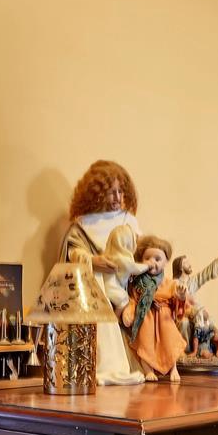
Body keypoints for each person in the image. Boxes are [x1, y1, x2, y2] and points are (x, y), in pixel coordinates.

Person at [60, 159, 146, 385]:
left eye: (120, 191)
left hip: (124, 287)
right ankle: (104, 364)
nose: (117, 197)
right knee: (95, 286)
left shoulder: (129, 222)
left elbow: (139, 255)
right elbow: (72, 254)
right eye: (110, 192)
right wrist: (92, 261)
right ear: (96, 194)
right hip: (98, 290)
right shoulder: (82, 225)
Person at [121, 235, 188, 380]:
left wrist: (180, 297)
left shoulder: (170, 283)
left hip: (165, 319)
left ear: (165, 262)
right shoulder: (137, 283)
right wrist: (129, 311)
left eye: (158, 259)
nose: (153, 262)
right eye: (148, 258)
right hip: (146, 319)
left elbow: (178, 305)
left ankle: (173, 369)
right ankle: (148, 370)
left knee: (170, 342)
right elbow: (134, 299)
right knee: (145, 343)